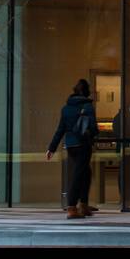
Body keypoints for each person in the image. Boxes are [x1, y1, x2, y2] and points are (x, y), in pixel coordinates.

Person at [47, 79, 99, 219]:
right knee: (78, 175)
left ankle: (83, 204)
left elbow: (60, 129)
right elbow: (94, 128)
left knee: (85, 172)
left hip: (70, 145)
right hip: (83, 145)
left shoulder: (66, 108)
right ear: (86, 92)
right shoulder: (88, 107)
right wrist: (93, 134)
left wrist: (51, 148)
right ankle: (72, 207)